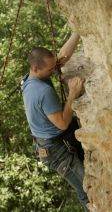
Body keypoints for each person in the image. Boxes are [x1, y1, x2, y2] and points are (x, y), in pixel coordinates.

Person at [21, 32, 89, 211]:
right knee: (86, 190)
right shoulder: (42, 92)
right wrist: (73, 93)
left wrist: (78, 31)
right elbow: (62, 123)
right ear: (36, 68)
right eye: (51, 69)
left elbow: (60, 59)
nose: (55, 70)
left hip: (49, 142)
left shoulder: (28, 79)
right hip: (56, 151)